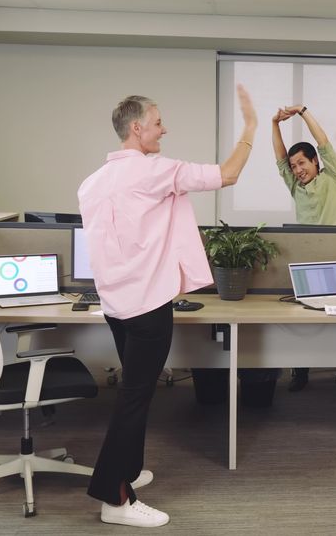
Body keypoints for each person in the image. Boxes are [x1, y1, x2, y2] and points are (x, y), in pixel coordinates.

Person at [77, 86, 258, 527]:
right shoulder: (151, 171)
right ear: (137, 129)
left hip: (116, 305)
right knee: (134, 399)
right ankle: (114, 499)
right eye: (158, 122)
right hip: (147, 307)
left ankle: (130, 472)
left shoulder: (93, 182)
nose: (165, 128)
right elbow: (228, 174)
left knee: (134, 395)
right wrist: (251, 127)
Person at [271, 104, 336, 392]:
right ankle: (300, 372)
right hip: (310, 261)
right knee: (304, 319)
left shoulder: (333, 177)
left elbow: (323, 142)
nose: (297, 170)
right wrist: (274, 123)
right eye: (294, 167)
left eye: (302, 163)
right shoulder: (295, 187)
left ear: (315, 162)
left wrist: (302, 111)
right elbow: (279, 157)